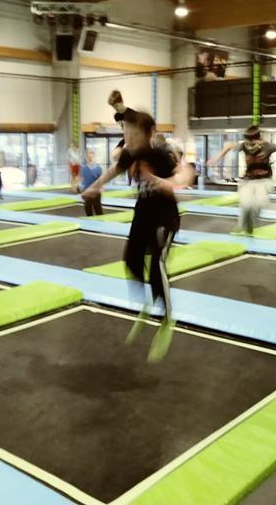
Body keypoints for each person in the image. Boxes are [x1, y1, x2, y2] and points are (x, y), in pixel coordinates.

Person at [83, 110, 194, 362]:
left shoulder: (159, 155)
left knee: (156, 267)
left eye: (134, 135)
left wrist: (165, 182)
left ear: (149, 134)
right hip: (142, 215)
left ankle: (167, 318)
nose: (129, 140)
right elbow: (114, 170)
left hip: (164, 218)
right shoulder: (129, 155)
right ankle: (147, 302)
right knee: (131, 260)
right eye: (126, 135)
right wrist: (95, 186)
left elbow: (183, 176)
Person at [208, 126, 276, 235]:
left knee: (257, 204)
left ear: (259, 140)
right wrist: (216, 158)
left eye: (253, 144)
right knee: (246, 204)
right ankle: (242, 226)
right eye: (248, 144)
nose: (250, 148)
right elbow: (228, 146)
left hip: (264, 181)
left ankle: (251, 225)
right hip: (247, 181)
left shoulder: (268, 146)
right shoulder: (243, 145)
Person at [79, 148, 103, 216]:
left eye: (91, 153)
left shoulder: (98, 168)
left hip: (96, 192)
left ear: (93, 155)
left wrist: (101, 188)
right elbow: (82, 180)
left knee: (98, 210)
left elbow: (101, 180)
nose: (89, 155)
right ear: (85, 156)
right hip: (87, 191)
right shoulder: (83, 168)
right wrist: (81, 189)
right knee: (88, 209)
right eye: (87, 154)